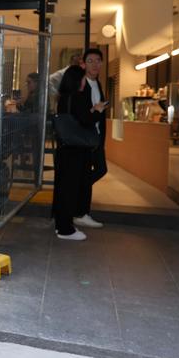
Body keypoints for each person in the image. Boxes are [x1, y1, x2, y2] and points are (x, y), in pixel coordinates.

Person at [52, 65, 108, 240]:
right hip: (75, 150)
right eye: (83, 78)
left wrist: (90, 111)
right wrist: (97, 111)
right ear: (77, 80)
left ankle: (61, 225)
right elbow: (85, 121)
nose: (85, 80)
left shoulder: (64, 97)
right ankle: (66, 230)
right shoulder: (77, 97)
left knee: (63, 188)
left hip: (66, 148)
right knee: (70, 189)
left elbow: (77, 118)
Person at [74, 48, 108, 229]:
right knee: (89, 173)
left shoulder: (98, 84)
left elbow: (97, 114)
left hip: (96, 138)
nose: (95, 64)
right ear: (84, 64)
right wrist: (96, 111)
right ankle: (81, 213)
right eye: (90, 61)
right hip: (85, 139)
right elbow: (83, 117)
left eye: (98, 61)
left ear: (101, 63)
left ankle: (79, 207)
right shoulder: (81, 85)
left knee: (100, 170)